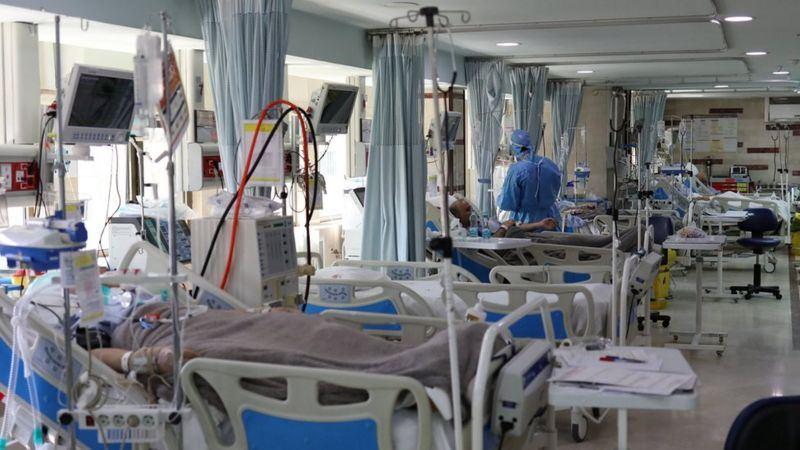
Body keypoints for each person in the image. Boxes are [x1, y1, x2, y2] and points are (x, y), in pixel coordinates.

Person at [497, 129, 562, 226]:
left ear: (514, 147)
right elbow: (555, 190)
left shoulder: (516, 170)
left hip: (525, 222)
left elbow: (507, 202)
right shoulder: (549, 164)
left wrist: (499, 199)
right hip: (549, 219)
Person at [449, 198, 557, 237]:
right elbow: (491, 245)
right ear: (458, 217)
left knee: (553, 239)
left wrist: (540, 224)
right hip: (511, 250)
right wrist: (504, 228)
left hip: (521, 239)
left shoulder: (482, 222)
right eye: (467, 210)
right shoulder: (466, 234)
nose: (472, 212)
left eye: (471, 208)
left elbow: (514, 225)